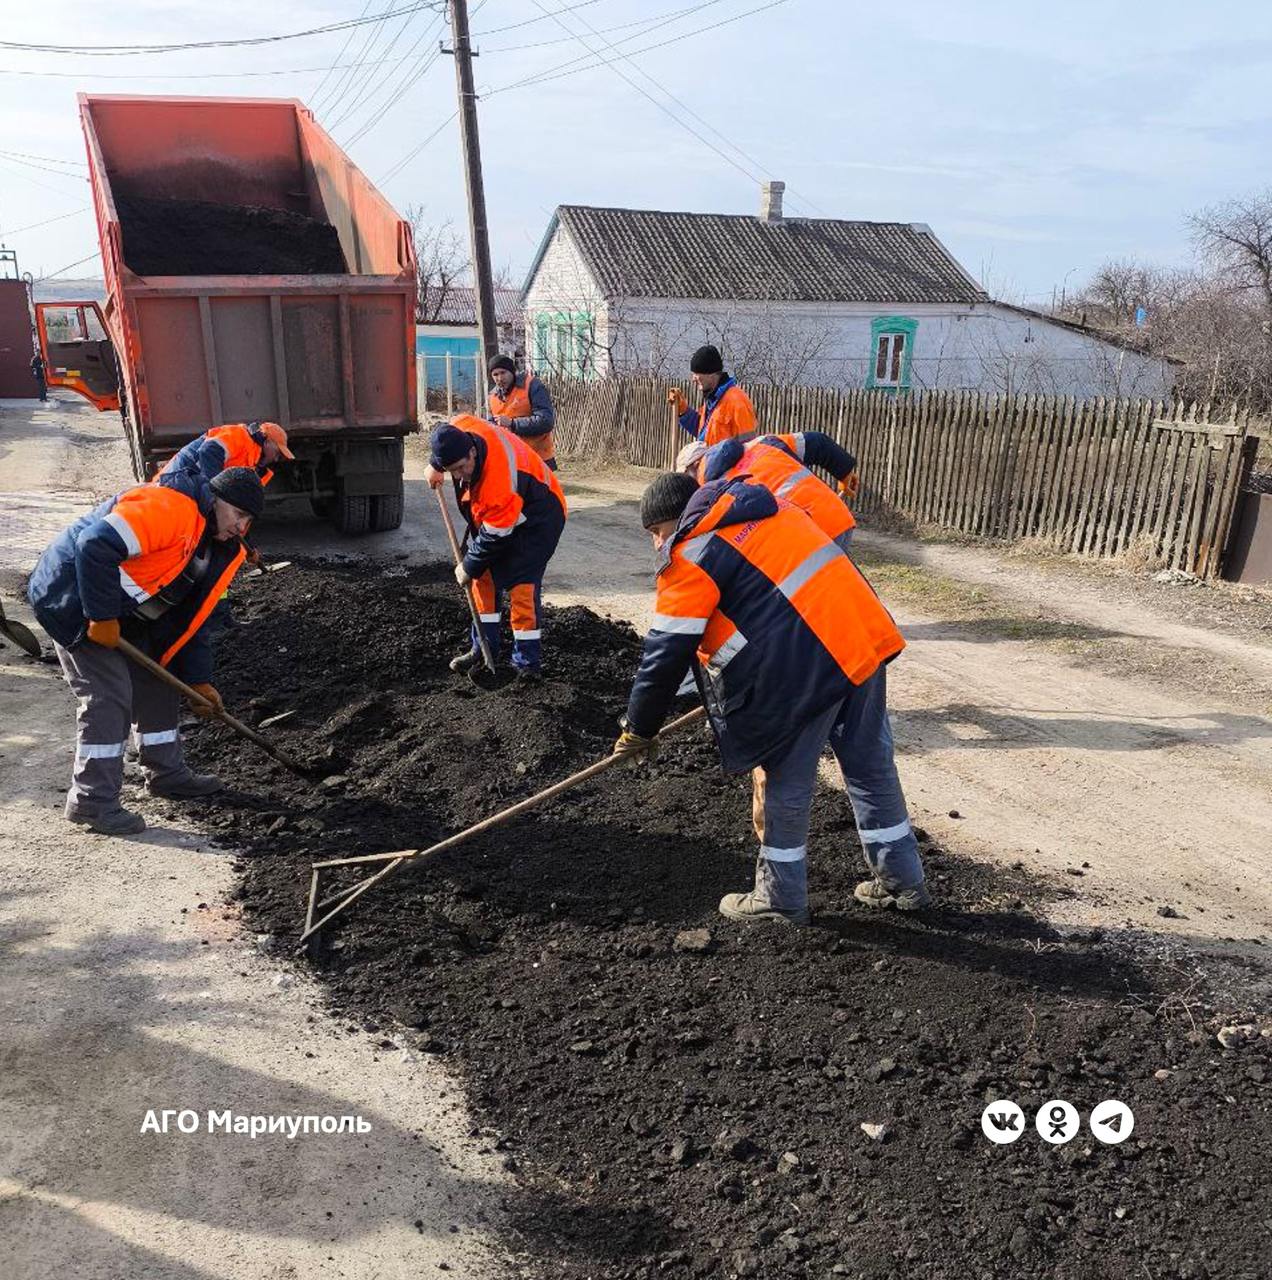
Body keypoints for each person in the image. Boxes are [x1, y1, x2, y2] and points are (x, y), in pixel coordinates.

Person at [612, 470, 929, 925]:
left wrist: (638, 729)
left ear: (677, 521)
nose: (656, 545)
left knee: (785, 779)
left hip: (808, 666)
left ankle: (779, 897)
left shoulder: (691, 553)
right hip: (861, 638)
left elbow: (663, 654)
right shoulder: (773, 510)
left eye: (657, 533)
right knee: (869, 763)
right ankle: (904, 881)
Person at [28, 467, 265, 836]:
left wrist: (198, 681)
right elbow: (94, 544)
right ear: (216, 501)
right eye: (239, 515)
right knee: (109, 697)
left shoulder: (215, 549)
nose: (241, 528)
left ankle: (166, 774)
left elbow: (195, 621)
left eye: (249, 521)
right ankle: (92, 802)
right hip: (74, 597)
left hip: (128, 612)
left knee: (159, 680)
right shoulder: (170, 508)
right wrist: (101, 617)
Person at [425, 415, 567, 682]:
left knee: (521, 585)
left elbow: (496, 534)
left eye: (460, 467)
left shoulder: (497, 481)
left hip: (539, 515)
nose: (458, 476)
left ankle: (526, 665)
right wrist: (435, 465)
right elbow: (449, 432)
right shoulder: (462, 429)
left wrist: (468, 565)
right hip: (500, 515)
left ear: (472, 452)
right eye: (450, 470)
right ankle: (483, 647)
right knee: (483, 578)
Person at [687, 430, 860, 551]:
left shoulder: (719, 490)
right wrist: (845, 473)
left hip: (809, 538)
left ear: (696, 466)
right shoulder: (762, 443)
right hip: (836, 516)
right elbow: (818, 442)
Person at [667, 344, 756, 447]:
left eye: (697, 373)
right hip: (709, 461)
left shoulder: (737, 401)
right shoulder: (713, 399)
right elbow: (702, 431)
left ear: (711, 374)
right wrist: (683, 410)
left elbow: (748, 446)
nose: (693, 379)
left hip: (724, 463)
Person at [161, 420, 293, 487]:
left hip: (185, 479)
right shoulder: (240, 437)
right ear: (267, 442)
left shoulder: (254, 458)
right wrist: (217, 491)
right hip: (177, 476)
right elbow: (208, 452)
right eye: (277, 453)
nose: (276, 459)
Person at [488, 355, 557, 470]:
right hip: (511, 460)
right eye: (495, 374)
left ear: (512, 371)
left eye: (503, 372)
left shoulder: (532, 386)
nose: (500, 378)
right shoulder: (493, 396)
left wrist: (513, 424)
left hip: (538, 459)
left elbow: (546, 421)